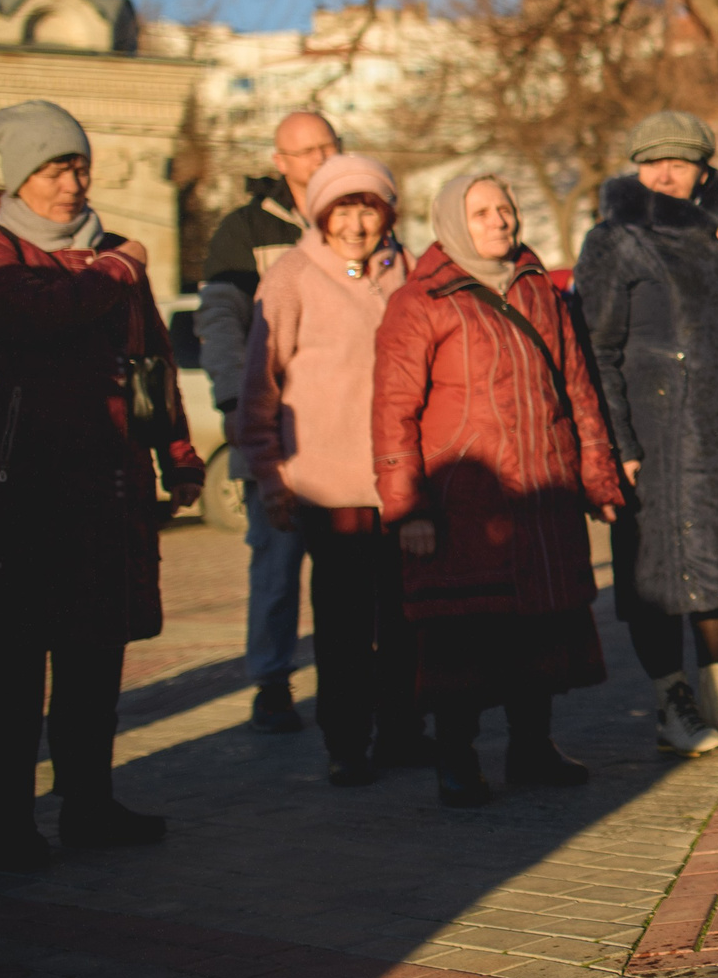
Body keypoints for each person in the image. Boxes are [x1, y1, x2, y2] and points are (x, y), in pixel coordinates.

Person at [0, 101, 204, 870]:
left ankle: (90, 806)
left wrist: (177, 447)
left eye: (77, 165)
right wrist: (119, 268)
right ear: (20, 176)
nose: (73, 182)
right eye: (54, 168)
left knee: (95, 659)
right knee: (14, 665)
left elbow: (151, 362)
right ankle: (6, 823)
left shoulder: (106, 255)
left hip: (103, 489)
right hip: (15, 496)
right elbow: (30, 312)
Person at [371, 174, 626, 807]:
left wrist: (596, 476)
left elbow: (577, 389)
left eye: (505, 209)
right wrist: (408, 510)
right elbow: (392, 413)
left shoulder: (540, 289)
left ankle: (531, 747)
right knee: (463, 635)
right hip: (464, 504)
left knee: (535, 627)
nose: (500, 221)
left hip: (541, 491)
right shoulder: (420, 301)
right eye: (482, 212)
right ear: (453, 222)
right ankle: (456, 759)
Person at [575, 111, 718, 764]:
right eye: (651, 161)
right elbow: (597, 349)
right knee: (658, 573)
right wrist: (621, 444)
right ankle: (672, 702)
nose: (663, 174)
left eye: (678, 161)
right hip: (657, 432)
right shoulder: (616, 239)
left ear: (703, 168)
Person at [234, 154, 425, 787]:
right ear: (320, 213)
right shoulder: (291, 276)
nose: (355, 222)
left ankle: (401, 730)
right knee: (344, 625)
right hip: (327, 485)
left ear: (386, 213)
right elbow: (258, 384)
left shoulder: (409, 270)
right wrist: (270, 474)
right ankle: (346, 741)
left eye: (367, 206)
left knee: (404, 619)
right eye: (341, 207)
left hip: (400, 483)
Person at [197, 109, 341, 735]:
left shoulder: (361, 221)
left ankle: (352, 676)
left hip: (345, 434)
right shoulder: (243, 231)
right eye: (304, 150)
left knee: (352, 569)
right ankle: (272, 682)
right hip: (276, 430)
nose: (318, 158)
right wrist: (236, 404)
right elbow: (221, 323)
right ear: (280, 161)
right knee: (277, 565)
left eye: (327, 146)